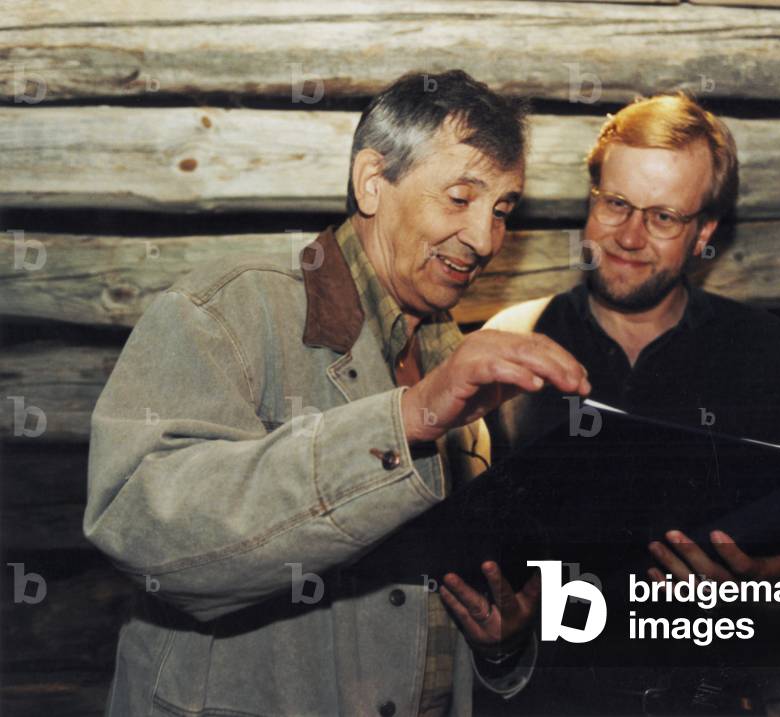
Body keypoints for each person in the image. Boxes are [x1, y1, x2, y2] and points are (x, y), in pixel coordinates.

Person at [84, 70, 590, 717]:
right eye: (460, 197)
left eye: (501, 208)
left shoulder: (454, 364)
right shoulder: (228, 309)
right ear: (372, 181)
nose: (485, 238)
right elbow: (144, 532)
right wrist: (406, 417)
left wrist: (499, 644)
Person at [485, 91, 780, 714]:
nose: (629, 236)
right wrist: (500, 634)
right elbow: (473, 568)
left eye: (664, 217)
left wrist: (764, 595)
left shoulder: (766, 353)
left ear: (704, 232)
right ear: (591, 197)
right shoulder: (513, 345)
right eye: (616, 203)